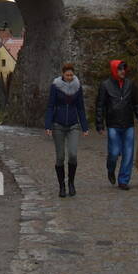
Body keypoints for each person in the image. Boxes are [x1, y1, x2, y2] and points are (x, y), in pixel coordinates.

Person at [95, 59, 138, 189]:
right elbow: (100, 106)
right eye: (120, 69)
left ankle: (123, 180)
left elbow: (136, 104)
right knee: (114, 152)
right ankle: (110, 169)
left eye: (124, 68)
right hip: (113, 124)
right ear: (114, 70)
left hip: (128, 124)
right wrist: (99, 124)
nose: (123, 71)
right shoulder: (105, 85)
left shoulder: (130, 84)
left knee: (128, 154)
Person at [45, 61, 89, 197]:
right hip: (58, 125)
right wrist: (48, 125)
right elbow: (50, 106)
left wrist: (84, 126)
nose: (69, 77)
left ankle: (71, 183)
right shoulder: (56, 86)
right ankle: (62, 186)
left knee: (73, 154)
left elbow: (81, 107)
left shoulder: (77, 87)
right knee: (60, 157)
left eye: (71, 75)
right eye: (67, 75)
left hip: (73, 125)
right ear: (63, 74)